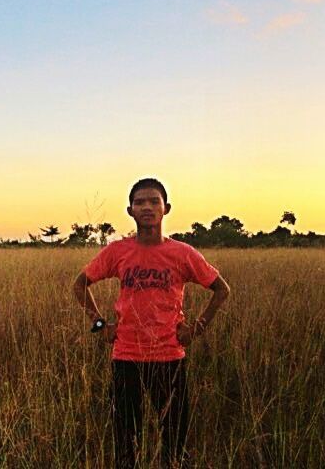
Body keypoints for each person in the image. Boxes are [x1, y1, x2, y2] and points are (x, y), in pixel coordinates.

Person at [72, 177, 232, 469]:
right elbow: (80, 284)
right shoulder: (118, 252)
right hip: (126, 357)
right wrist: (100, 326)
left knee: (174, 443)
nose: (146, 207)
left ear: (166, 208)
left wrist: (196, 329)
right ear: (130, 210)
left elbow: (221, 289)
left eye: (153, 201)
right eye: (139, 202)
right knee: (125, 441)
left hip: (169, 357)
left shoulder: (182, 253)